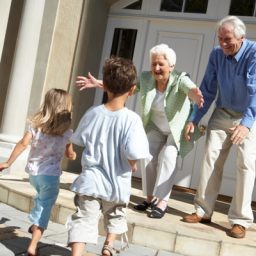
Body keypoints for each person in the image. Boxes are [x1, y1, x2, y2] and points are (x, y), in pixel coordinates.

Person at [75, 43, 204, 219]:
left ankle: (162, 201)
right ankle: (150, 198)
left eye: (161, 65)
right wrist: (100, 83)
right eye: (153, 64)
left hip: (176, 130)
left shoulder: (180, 79)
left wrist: (195, 95)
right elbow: (125, 86)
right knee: (147, 155)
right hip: (156, 127)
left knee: (168, 156)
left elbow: (190, 88)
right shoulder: (146, 78)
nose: (156, 68)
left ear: (171, 66)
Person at [66, 56, 151, 256]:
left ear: (105, 87)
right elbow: (133, 152)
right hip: (117, 184)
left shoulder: (93, 113)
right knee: (115, 216)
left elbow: (77, 139)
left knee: (83, 219)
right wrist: (133, 164)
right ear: (132, 90)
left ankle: (77, 254)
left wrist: (69, 150)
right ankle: (108, 246)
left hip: (91, 182)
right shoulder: (132, 120)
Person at [182, 16, 256, 239]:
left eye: (228, 39)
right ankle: (203, 210)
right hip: (223, 112)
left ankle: (240, 219)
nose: (223, 44)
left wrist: (246, 124)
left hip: (249, 114)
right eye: (220, 38)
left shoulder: (253, 53)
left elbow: (255, 90)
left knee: (246, 163)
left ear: (242, 38)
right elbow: (208, 88)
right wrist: (194, 118)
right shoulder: (216, 54)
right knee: (211, 158)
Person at [0, 88, 76, 255]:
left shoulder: (35, 127)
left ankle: (34, 223)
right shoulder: (67, 133)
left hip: (34, 175)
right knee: (45, 208)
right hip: (51, 177)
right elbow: (70, 154)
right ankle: (33, 245)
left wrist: (7, 162)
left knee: (41, 199)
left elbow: (22, 143)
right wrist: (73, 154)